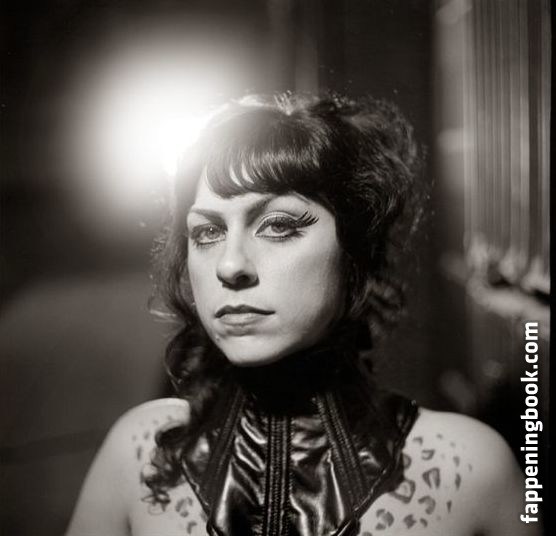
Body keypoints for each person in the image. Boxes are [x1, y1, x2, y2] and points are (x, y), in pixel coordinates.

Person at [66, 93, 539, 536]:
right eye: (208, 232)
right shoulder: (140, 453)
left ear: (354, 251)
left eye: (277, 225)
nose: (230, 265)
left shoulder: (470, 470)